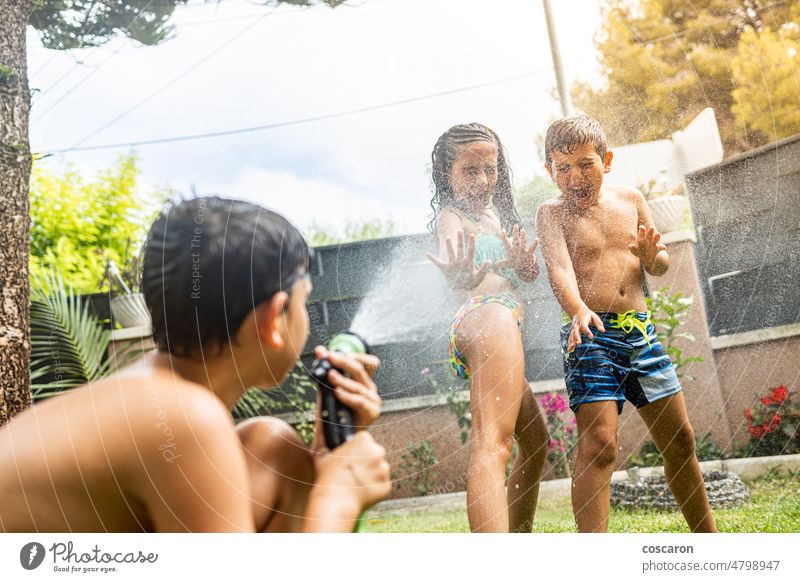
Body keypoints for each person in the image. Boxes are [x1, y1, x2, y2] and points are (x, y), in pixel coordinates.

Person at [0, 196, 391, 533]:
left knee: (274, 450)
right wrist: (338, 498)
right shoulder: (185, 418)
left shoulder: (154, 394)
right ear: (274, 320)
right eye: (304, 300)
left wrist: (327, 455)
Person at [536, 115, 717, 533]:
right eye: (562, 168)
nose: (574, 177)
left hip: (641, 335)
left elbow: (660, 262)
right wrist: (578, 309)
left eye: (585, 164)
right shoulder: (551, 213)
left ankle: (710, 543)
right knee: (600, 445)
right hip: (591, 335)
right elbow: (560, 270)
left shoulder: (631, 199)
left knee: (681, 440)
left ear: (607, 160)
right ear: (549, 170)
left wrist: (653, 256)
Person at [426, 123, 550, 533]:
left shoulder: (498, 216)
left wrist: (521, 263)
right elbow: (455, 271)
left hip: (503, 323)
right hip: (485, 316)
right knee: (492, 444)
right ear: (448, 174)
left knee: (536, 442)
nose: (483, 180)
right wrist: (458, 274)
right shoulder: (452, 218)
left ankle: (517, 537)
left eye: (491, 169)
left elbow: (528, 275)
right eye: (470, 170)